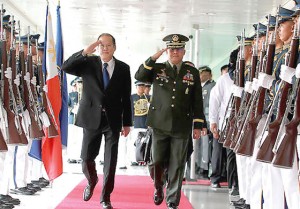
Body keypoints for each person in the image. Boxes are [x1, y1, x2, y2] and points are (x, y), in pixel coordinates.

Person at [135, 34, 207, 209]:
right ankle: (158, 186)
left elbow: (197, 99)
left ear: (183, 51)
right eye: (172, 49)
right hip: (159, 123)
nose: (175, 52)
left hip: (181, 125)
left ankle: (172, 200)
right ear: (167, 50)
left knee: (177, 163)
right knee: (155, 161)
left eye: (178, 49)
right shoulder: (157, 67)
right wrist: (153, 57)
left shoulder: (192, 72)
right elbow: (140, 74)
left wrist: (198, 124)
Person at [61, 33, 132, 209]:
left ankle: (105, 198)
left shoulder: (123, 68)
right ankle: (92, 180)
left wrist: (127, 122)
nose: (105, 48)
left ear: (114, 47)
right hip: (91, 118)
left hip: (113, 120)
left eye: (108, 45)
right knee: (86, 158)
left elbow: (126, 97)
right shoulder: (88, 63)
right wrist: (85, 51)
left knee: (110, 161)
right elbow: (65, 67)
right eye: (101, 45)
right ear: (97, 47)